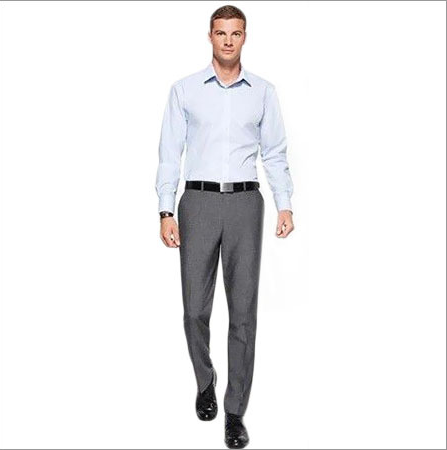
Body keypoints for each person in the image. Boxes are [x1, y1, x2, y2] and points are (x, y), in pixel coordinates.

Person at [155, 5, 294, 449]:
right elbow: (169, 152)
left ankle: (235, 412)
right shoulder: (184, 90)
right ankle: (205, 381)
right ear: (210, 36)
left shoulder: (263, 92)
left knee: (243, 312)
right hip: (196, 201)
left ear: (245, 37)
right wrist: (165, 210)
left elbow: (274, 152)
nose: (228, 40)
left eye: (235, 33)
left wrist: (285, 204)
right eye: (221, 33)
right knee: (194, 309)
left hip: (245, 203)